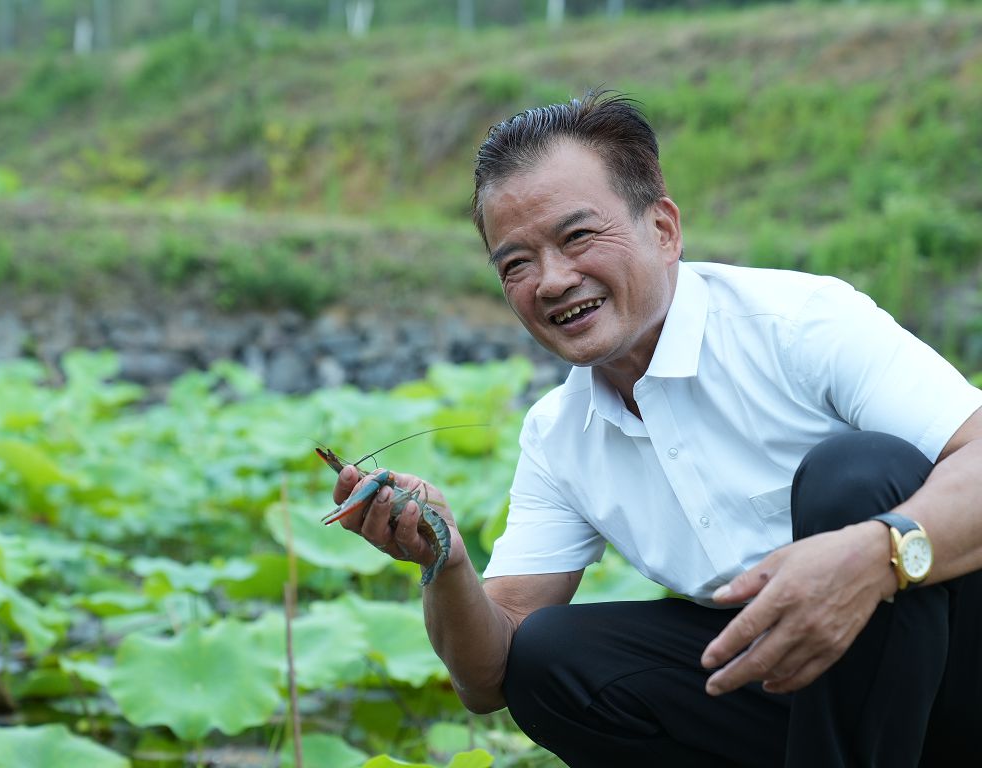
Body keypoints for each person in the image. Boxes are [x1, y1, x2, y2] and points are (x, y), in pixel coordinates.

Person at [330, 90, 982, 767]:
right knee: (550, 657)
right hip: (803, 697)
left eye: (577, 236)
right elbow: (487, 676)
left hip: (956, 672)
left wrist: (875, 557)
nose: (551, 281)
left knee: (859, 475)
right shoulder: (559, 436)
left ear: (663, 229)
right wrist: (445, 559)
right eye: (515, 264)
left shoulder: (801, 325)